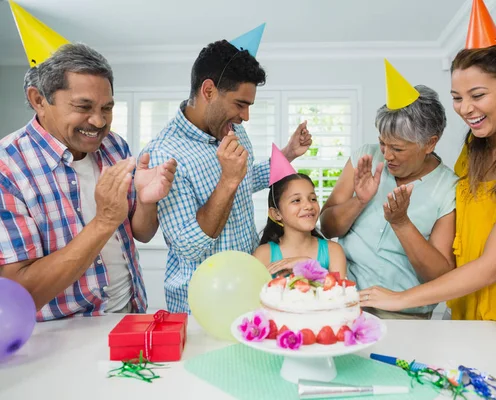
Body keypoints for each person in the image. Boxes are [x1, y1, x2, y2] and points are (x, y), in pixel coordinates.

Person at [359, 0, 496, 325]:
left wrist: (400, 299)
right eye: (457, 98)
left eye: (477, 95)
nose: (464, 109)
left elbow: (494, 265)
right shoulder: (471, 153)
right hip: (463, 321)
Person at [0, 43, 177, 321]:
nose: (98, 121)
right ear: (39, 100)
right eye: (83, 106)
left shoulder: (115, 146)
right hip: (60, 337)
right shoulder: (7, 168)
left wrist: (146, 201)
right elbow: (18, 293)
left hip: (129, 314)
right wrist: (103, 222)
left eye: (106, 108)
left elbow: (141, 233)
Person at [143, 38, 312, 313]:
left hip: (248, 291)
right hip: (201, 306)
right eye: (240, 104)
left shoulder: (231, 129)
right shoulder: (164, 154)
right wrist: (228, 180)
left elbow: (246, 180)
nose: (245, 116)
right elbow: (189, 246)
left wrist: (288, 154)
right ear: (208, 90)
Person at [320, 61, 457, 320]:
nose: (387, 154)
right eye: (383, 143)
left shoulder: (448, 188)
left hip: (404, 315)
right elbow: (326, 228)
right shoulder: (365, 157)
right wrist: (359, 201)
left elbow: (440, 277)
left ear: (430, 143)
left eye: (398, 148)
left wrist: (402, 223)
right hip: (344, 305)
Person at [253, 145, 346, 277]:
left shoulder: (333, 251)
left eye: (313, 198)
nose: (308, 205)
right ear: (276, 213)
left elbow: (343, 294)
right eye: (296, 200)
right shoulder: (264, 254)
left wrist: (307, 265)